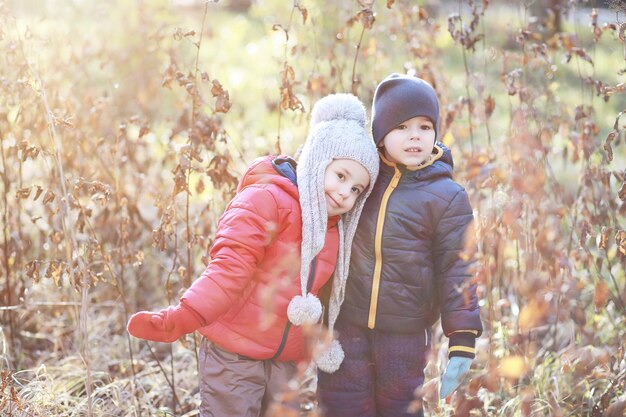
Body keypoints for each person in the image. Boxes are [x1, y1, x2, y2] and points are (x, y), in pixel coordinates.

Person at [126, 93, 379, 417]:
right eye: (341, 176)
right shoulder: (267, 200)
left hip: (283, 362)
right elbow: (228, 269)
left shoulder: (334, 229)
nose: (346, 192)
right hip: (235, 354)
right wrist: (182, 318)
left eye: (357, 188)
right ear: (317, 160)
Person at [317, 73, 483, 417]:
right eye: (402, 126)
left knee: (399, 407)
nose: (414, 136)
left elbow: (459, 267)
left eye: (424, 126)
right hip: (346, 322)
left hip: (405, 333)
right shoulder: (363, 179)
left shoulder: (447, 197)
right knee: (343, 404)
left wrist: (462, 336)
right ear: (380, 134)